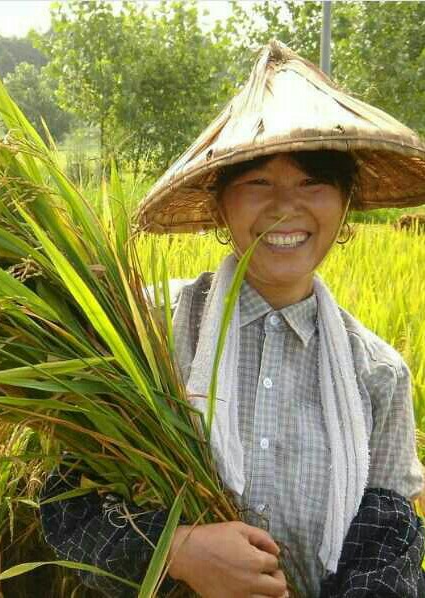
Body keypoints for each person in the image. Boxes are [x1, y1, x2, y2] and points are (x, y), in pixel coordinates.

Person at [39, 41, 425, 597]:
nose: (286, 208)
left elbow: (389, 536)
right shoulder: (146, 329)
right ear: (221, 205)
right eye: (258, 183)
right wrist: (178, 550)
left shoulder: (378, 373)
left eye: (313, 182)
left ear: (345, 206)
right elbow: (66, 503)